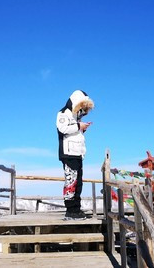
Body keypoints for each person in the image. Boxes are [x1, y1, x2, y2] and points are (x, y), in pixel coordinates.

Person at [56, 89, 94, 220]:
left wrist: (82, 127)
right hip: (68, 153)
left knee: (78, 183)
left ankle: (76, 208)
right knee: (71, 181)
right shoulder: (63, 113)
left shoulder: (75, 116)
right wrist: (79, 126)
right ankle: (70, 210)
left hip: (77, 153)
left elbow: (75, 130)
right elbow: (63, 128)